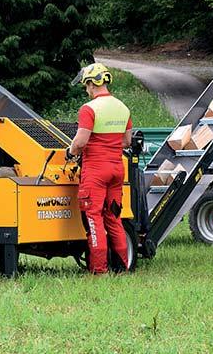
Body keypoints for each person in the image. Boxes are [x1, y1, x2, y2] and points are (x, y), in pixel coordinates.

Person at [67, 62, 132, 274]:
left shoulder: (89, 109)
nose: (86, 90)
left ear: (92, 83)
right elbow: (126, 141)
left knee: (93, 219)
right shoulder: (123, 108)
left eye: (86, 85)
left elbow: (80, 142)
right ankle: (122, 267)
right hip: (116, 169)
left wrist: (70, 152)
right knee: (114, 217)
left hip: (95, 171)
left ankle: (98, 270)